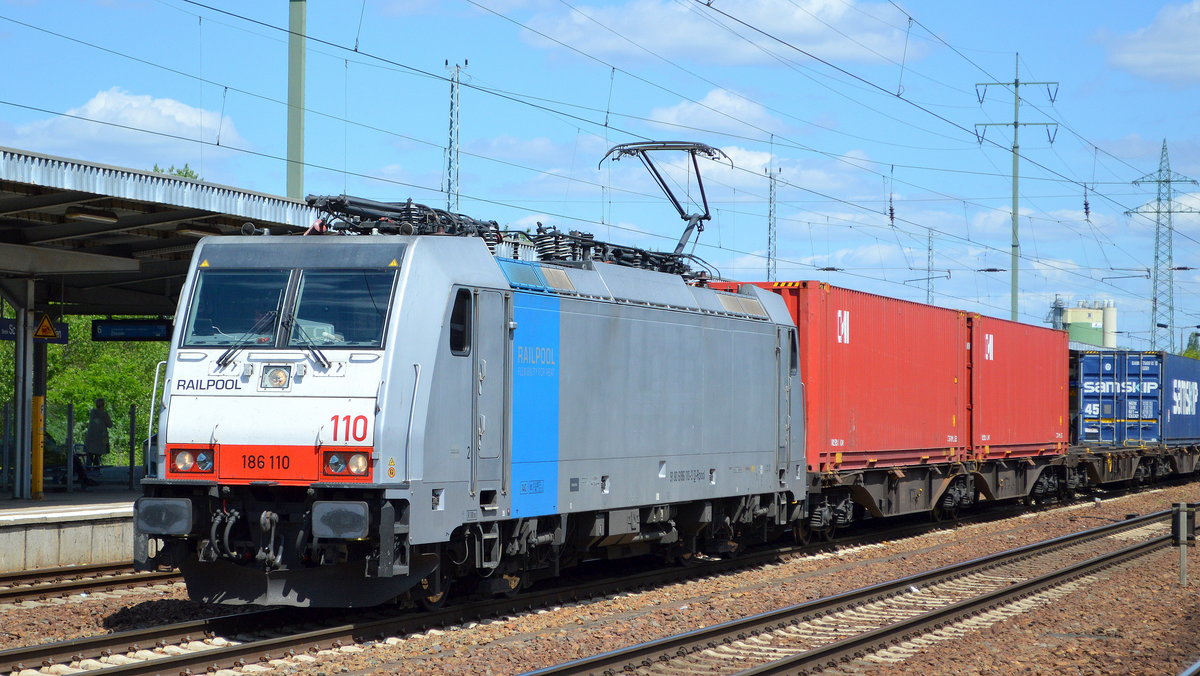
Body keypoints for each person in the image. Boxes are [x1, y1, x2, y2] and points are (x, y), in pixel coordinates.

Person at [84, 398, 113, 468]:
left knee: (89, 455)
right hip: (101, 439)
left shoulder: (92, 413)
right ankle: (96, 469)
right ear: (104, 405)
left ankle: (88, 470)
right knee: (98, 455)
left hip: (91, 438)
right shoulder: (104, 414)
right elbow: (110, 425)